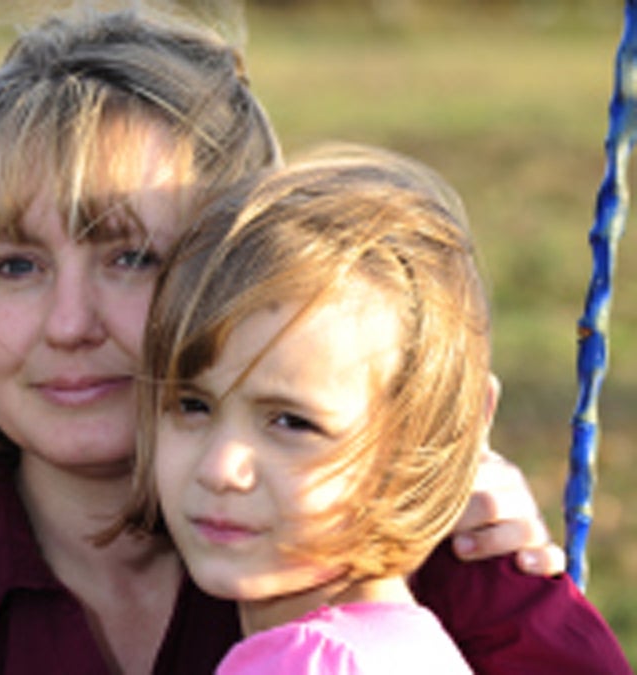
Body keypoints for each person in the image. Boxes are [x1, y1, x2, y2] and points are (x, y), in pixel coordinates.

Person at [0, 8, 627, 673]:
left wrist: (455, 502)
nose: (69, 323)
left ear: (245, 271)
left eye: (132, 257)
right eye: (15, 265)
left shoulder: (401, 555)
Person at [126, 143, 624, 673]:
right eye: (192, 405)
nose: (221, 468)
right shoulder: (401, 647)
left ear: (433, 436)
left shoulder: (311, 663)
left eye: (292, 422)